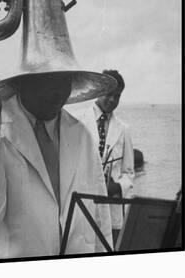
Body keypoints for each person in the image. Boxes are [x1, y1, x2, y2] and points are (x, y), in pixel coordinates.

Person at [0, 70, 112, 260]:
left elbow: (99, 215)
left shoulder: (82, 134)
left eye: (64, 81)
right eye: (48, 80)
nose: (58, 92)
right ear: (22, 83)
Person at [75, 69, 134, 246]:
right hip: (83, 205)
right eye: (109, 94)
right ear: (99, 90)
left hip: (112, 209)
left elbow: (129, 173)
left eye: (117, 96)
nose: (113, 100)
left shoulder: (123, 129)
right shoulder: (77, 121)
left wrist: (115, 187)